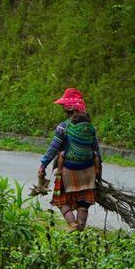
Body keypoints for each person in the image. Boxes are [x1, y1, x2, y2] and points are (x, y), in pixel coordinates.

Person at [37, 88, 101, 232]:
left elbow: (53, 148)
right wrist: (98, 173)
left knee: (61, 201)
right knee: (83, 203)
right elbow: (96, 150)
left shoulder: (63, 127)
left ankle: (72, 224)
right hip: (88, 170)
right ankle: (80, 229)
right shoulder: (90, 128)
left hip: (67, 170)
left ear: (67, 109)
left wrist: (43, 165)